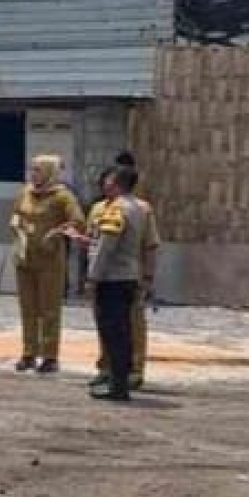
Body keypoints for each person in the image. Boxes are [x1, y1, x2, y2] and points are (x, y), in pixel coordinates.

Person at [10, 154, 83, 374]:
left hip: (50, 260)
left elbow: (77, 220)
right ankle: (28, 353)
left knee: (49, 309)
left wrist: (57, 232)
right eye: (32, 169)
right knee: (28, 308)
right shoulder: (25, 192)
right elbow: (16, 214)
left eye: (38, 170)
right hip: (25, 257)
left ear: (50, 172)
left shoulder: (62, 196)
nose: (33, 174)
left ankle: (50, 356)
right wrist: (16, 227)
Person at [79, 164, 145, 402]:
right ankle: (121, 381)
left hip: (113, 278)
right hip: (129, 276)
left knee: (113, 333)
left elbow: (107, 247)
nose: (104, 183)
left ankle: (117, 385)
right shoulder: (138, 207)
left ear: (117, 183)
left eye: (109, 179)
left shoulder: (116, 208)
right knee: (123, 332)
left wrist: (92, 277)